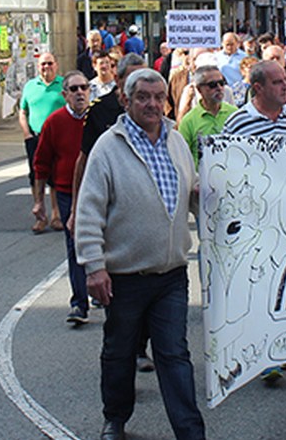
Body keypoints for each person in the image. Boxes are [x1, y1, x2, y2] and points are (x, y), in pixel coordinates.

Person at [75, 68, 205, 440]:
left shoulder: (176, 141)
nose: (152, 104)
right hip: (124, 277)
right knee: (119, 352)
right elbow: (89, 210)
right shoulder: (108, 147)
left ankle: (190, 431)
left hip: (171, 275)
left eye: (157, 97)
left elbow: (190, 193)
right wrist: (94, 267)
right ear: (126, 101)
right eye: (143, 97)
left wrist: (207, 196)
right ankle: (115, 418)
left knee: (175, 355)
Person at [222, 60, 286, 382]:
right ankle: (261, 355)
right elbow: (227, 175)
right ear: (257, 88)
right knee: (260, 288)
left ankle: (283, 344)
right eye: (277, 83)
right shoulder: (237, 124)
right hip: (257, 223)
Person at [71, 53, 156, 372]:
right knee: (122, 295)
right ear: (120, 83)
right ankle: (124, 352)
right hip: (113, 213)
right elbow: (84, 161)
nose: (144, 92)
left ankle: (140, 347)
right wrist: (77, 210)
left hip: (147, 214)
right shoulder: (101, 112)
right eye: (134, 81)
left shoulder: (155, 113)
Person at [32, 71, 91, 325]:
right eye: (74, 89)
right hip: (68, 193)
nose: (80, 93)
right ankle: (79, 303)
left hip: (101, 192)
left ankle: (106, 292)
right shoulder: (54, 122)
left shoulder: (99, 119)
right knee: (75, 245)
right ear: (64, 94)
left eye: (84, 88)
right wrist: (39, 202)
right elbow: (41, 163)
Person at [18, 52, 65, 234]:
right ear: (38, 67)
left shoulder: (63, 85)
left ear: (56, 65)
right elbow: (23, 112)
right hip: (35, 137)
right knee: (36, 176)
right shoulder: (30, 86)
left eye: (50, 63)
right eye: (43, 64)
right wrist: (26, 133)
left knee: (55, 177)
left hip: (57, 138)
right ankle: (40, 216)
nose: (46, 67)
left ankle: (56, 215)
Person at [177, 65, 239, 166]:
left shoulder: (235, 114)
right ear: (199, 89)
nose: (219, 88)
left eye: (222, 83)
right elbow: (181, 158)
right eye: (212, 85)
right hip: (201, 179)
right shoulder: (189, 121)